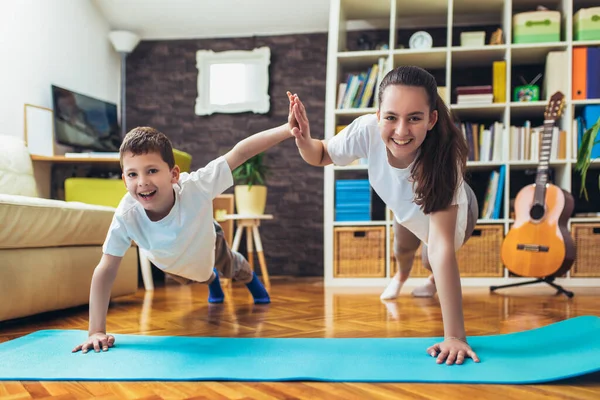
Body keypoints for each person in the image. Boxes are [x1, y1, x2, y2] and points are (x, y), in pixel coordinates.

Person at [72, 94, 297, 354]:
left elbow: (240, 152)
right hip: (173, 261)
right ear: (124, 180)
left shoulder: (196, 185)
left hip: (206, 240)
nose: (142, 182)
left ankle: (251, 280)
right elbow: (106, 268)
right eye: (133, 174)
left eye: (152, 170)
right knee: (195, 277)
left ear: (174, 174)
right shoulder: (127, 214)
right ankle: (210, 280)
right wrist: (96, 330)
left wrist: (286, 129)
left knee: (231, 266)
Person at [288, 66, 480, 365]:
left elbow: (442, 246)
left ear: (431, 119)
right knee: (402, 248)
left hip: (458, 207)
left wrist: (454, 336)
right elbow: (322, 154)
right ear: (378, 115)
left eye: (414, 118)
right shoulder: (366, 130)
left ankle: (428, 279)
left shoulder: (445, 159)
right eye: (391, 117)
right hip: (405, 207)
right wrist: (303, 138)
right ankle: (402, 275)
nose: (401, 131)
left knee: (432, 256)